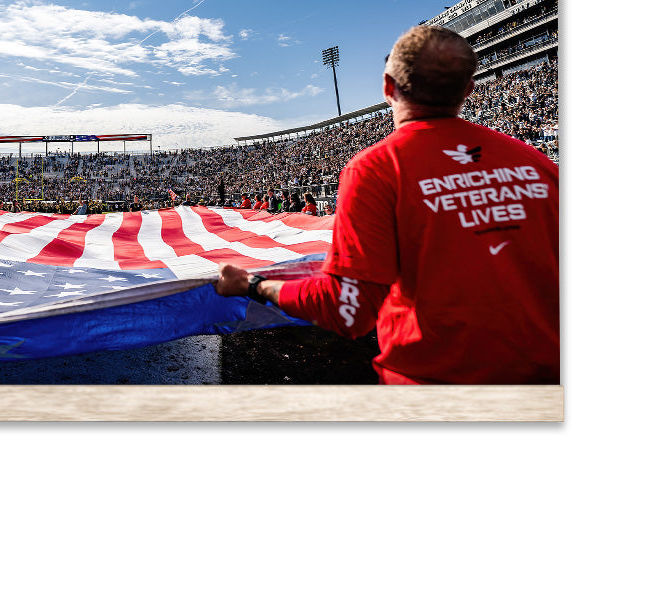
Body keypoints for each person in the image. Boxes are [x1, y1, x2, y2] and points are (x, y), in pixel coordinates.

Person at [216, 25, 559, 385]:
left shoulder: (376, 169)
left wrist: (252, 284)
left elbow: (347, 311)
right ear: (468, 90)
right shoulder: (537, 164)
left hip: (433, 388)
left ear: (387, 87)